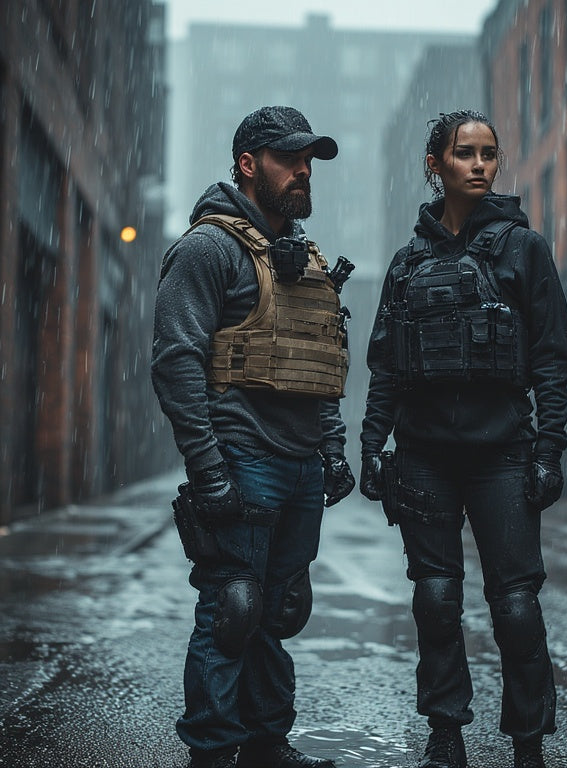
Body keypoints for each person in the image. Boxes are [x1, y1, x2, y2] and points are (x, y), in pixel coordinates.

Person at [359, 110, 567, 768]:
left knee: (516, 606)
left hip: (503, 454)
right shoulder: (407, 263)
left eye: (489, 154)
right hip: (423, 456)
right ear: (436, 165)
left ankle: (527, 744)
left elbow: (552, 360)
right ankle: (445, 732)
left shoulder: (524, 250)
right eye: (464, 153)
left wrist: (549, 450)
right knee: (435, 599)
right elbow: (386, 367)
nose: (480, 165)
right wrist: (370, 446)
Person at [151, 106, 355, 768]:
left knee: (279, 610)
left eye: (309, 161)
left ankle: (267, 746)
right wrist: (208, 470)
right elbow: (176, 362)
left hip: (301, 465)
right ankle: (212, 753)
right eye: (289, 159)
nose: (304, 171)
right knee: (233, 609)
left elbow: (318, 362)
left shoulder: (305, 256)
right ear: (247, 164)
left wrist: (332, 448)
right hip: (242, 460)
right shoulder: (207, 248)